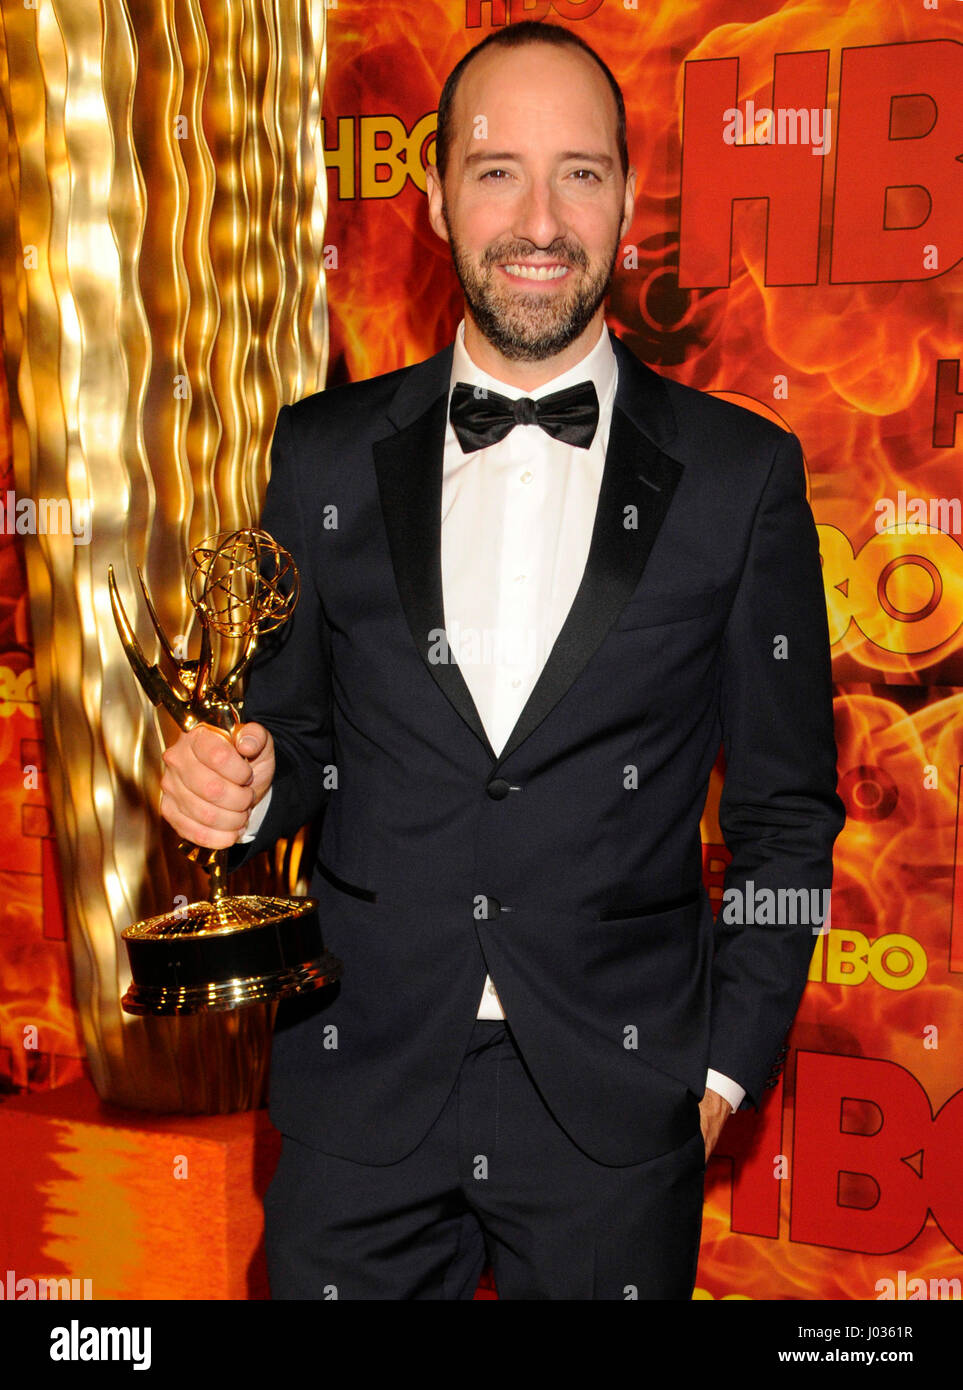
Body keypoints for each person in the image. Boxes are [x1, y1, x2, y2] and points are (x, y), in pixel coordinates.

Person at [158, 22, 844, 1300]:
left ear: (631, 202)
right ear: (433, 200)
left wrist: (722, 1073)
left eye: (579, 171)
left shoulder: (742, 479)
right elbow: (296, 743)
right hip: (360, 1080)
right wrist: (242, 787)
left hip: (615, 1107)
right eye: (496, 171)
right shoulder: (318, 451)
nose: (540, 217)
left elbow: (787, 820)